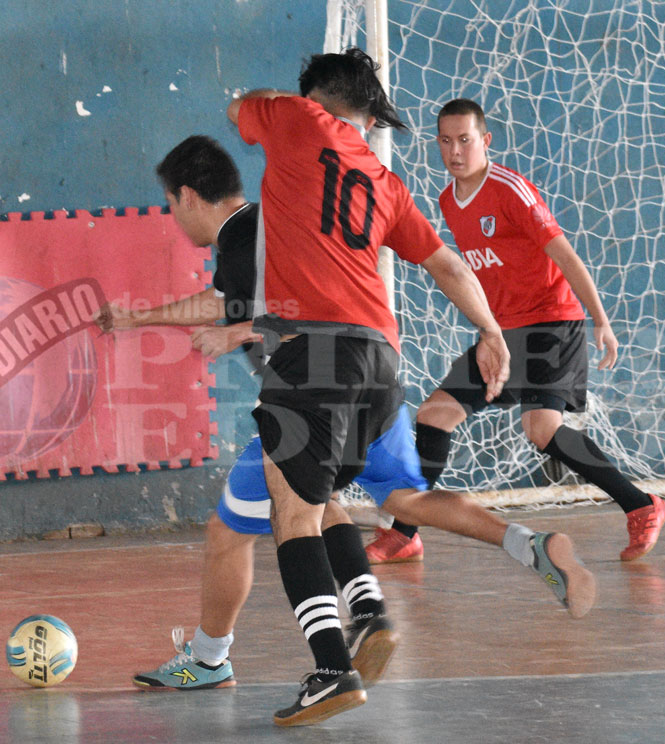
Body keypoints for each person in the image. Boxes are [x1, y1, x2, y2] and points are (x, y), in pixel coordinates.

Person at [226, 51, 594, 727]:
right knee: (355, 496)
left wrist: (284, 102)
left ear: (315, 99)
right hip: (380, 363)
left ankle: (331, 670)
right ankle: (383, 602)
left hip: (312, 352)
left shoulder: (292, 118)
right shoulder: (385, 182)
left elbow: (236, 109)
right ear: (363, 117)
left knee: (292, 513)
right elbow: (448, 266)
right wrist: (489, 332)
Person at [97, 135, 401, 694]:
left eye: (169, 204)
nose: (172, 216)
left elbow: (274, 313)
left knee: (235, 531)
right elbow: (226, 301)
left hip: (308, 390)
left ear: (188, 195)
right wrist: (139, 319)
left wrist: (237, 333)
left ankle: (274, 662)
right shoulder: (268, 227)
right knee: (318, 501)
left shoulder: (240, 241)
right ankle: (369, 608)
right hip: (375, 374)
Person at [366, 98, 665, 567]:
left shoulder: (510, 189)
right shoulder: (448, 200)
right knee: (434, 415)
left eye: (465, 140)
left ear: (485, 141)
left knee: (542, 429)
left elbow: (566, 255)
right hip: (503, 335)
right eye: (445, 141)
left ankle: (642, 505)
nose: (455, 151)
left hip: (552, 322)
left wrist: (601, 320)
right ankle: (406, 534)